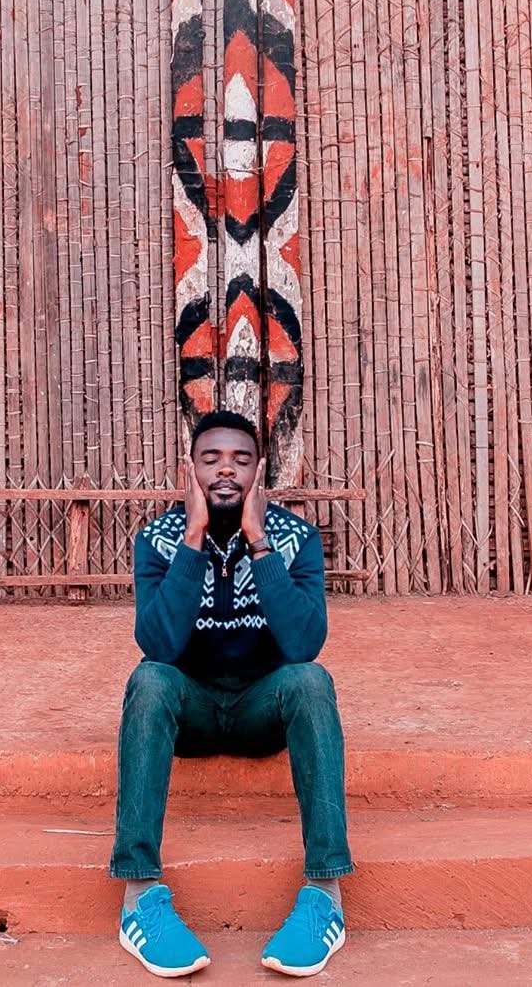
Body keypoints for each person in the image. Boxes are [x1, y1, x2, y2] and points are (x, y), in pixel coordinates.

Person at [112, 410, 351, 978]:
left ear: (259, 471)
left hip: (259, 711)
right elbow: (160, 644)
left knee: (312, 684)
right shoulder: (159, 538)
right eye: (211, 458)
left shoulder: (296, 539)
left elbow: (302, 646)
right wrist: (193, 539)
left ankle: (326, 897)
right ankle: (139, 898)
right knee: (148, 679)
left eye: (242, 460)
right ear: (188, 470)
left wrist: (258, 541)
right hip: (189, 710)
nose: (226, 471)